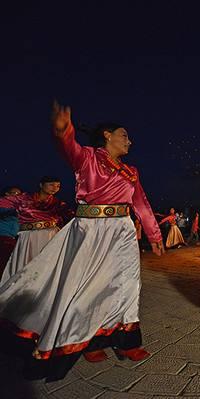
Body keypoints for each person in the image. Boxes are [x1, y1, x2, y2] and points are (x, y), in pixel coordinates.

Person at [0, 102, 164, 380]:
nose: (130, 141)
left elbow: (141, 203)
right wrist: (64, 131)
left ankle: (127, 342)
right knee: (86, 288)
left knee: (126, 285)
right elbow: (69, 148)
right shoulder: (88, 158)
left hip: (122, 232)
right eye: (124, 135)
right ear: (107, 136)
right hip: (90, 230)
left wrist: (154, 234)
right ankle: (85, 341)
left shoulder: (131, 171)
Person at [0, 176, 72, 282]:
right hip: (29, 237)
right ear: (41, 185)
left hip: (50, 236)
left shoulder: (58, 204)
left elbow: (71, 216)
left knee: (46, 264)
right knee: (27, 264)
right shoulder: (23, 199)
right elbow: (3, 201)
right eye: (51, 184)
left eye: (58, 186)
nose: (55, 188)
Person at [0, 186, 22, 275]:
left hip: (12, 238)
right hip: (3, 236)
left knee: (7, 263)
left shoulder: (17, 205)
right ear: (7, 194)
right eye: (15, 193)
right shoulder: (3, 202)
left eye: (19, 194)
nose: (18, 196)